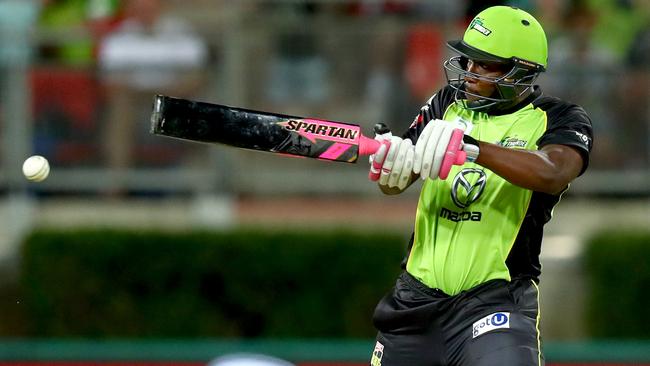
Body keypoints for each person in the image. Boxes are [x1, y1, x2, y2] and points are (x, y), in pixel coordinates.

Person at [367, 6, 592, 366]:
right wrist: (392, 163)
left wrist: (472, 148)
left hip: (495, 300)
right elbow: (397, 182)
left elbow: (553, 172)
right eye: (469, 60)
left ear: (522, 71)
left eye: (486, 64)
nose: (470, 72)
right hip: (414, 301)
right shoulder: (445, 104)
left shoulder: (560, 117)